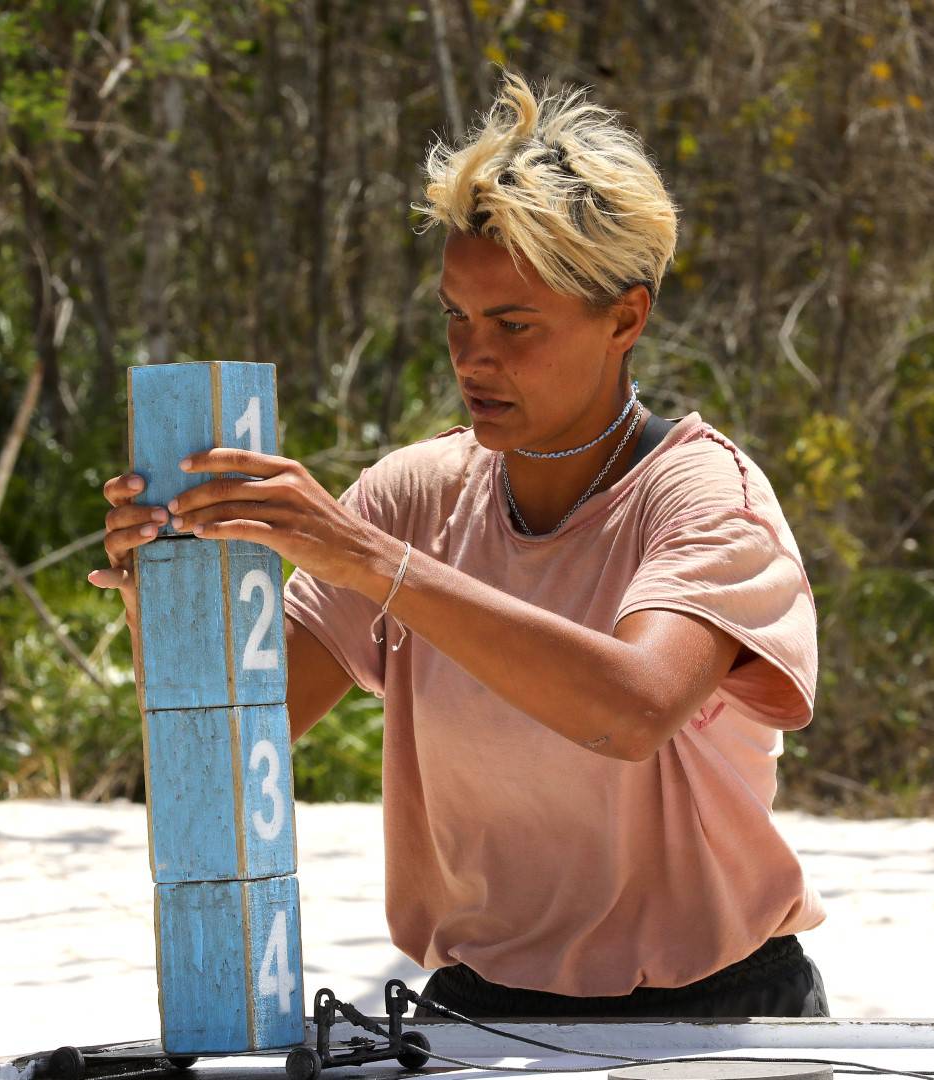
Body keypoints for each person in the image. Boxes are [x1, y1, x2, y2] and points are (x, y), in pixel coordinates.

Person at [91, 73, 829, 1020]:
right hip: (477, 1014)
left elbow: (634, 709)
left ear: (626, 318)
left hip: (717, 1017)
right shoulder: (414, 494)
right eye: (455, 316)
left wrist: (372, 563)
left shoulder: (702, 498)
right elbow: (249, 733)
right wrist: (163, 596)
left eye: (514, 325)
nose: (473, 357)